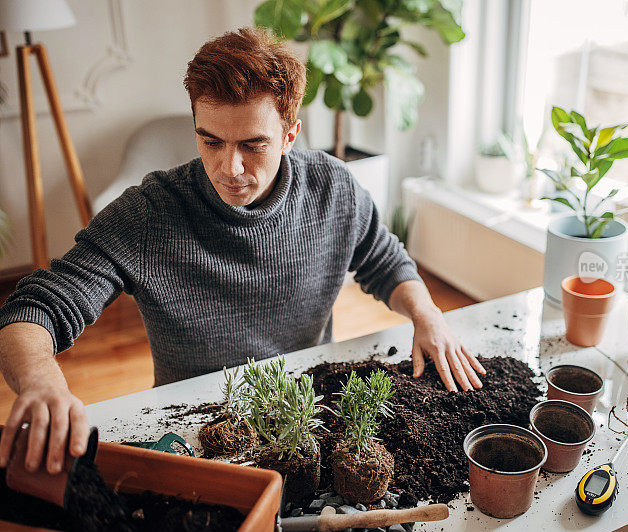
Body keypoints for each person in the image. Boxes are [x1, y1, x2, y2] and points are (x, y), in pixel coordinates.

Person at [0, 28, 485, 476]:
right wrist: (42, 378)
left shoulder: (333, 189)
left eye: (253, 144)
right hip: (196, 426)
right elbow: (32, 309)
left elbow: (383, 259)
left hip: (307, 416)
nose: (229, 167)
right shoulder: (150, 215)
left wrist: (427, 314)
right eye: (210, 141)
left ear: (290, 135)